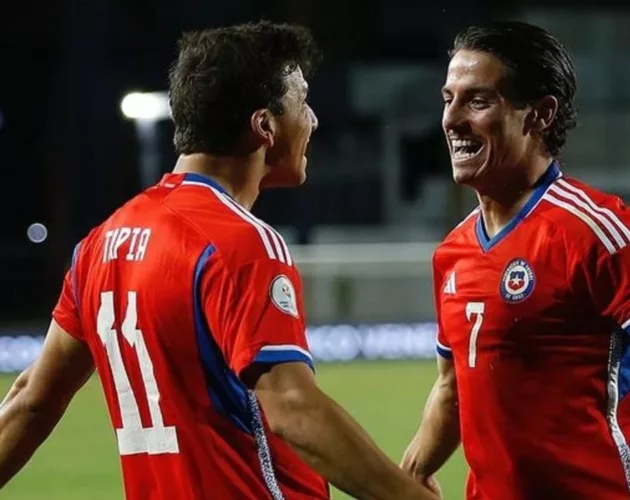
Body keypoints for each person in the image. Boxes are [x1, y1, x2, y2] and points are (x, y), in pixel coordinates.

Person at [0, 20, 439, 500]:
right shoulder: (240, 242)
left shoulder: (99, 245)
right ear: (264, 125)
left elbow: (30, 401)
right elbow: (292, 408)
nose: (312, 120)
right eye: (302, 102)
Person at [401, 21, 630, 500]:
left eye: (478, 100)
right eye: (449, 99)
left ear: (540, 114)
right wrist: (411, 472)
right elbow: (452, 388)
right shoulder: (453, 253)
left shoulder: (600, 232)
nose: (451, 119)